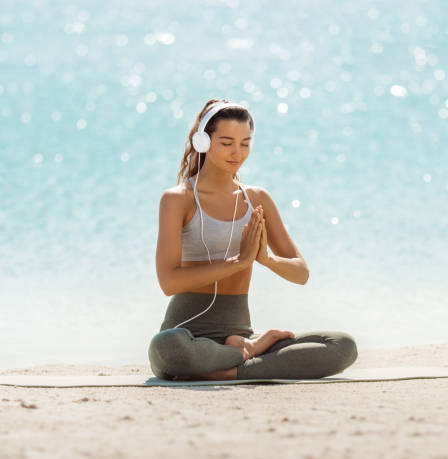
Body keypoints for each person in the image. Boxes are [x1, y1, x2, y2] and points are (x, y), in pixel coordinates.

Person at [148, 98, 358, 381]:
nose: (237, 152)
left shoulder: (257, 199)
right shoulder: (178, 199)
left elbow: (301, 273)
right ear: (203, 142)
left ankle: (233, 362)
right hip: (186, 333)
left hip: (241, 333)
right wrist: (238, 262)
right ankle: (244, 356)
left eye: (245, 143)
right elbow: (168, 282)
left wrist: (266, 259)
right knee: (168, 349)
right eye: (226, 143)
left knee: (342, 346)